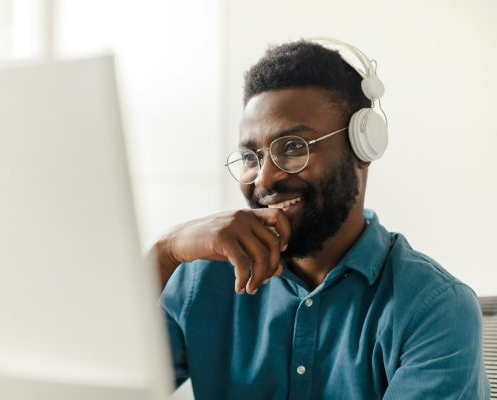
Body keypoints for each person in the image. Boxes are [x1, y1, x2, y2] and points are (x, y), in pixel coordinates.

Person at [151, 38, 489, 399]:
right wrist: (166, 252)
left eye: (294, 147)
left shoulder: (434, 309)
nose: (264, 179)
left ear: (362, 148)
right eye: (251, 156)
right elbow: (93, 378)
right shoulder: (199, 281)